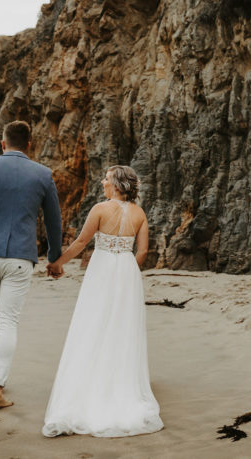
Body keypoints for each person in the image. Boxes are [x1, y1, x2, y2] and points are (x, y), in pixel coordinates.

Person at [41, 165, 163, 437]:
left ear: (117, 185)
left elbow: (82, 242)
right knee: (122, 326)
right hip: (127, 271)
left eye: (106, 179)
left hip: (102, 269)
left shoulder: (99, 209)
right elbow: (142, 250)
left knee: (93, 321)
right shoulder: (139, 213)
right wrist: (129, 269)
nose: (103, 182)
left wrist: (58, 263)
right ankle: (119, 382)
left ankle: (90, 382)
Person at [0, 120, 63, 410]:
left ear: (3, 144)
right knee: (8, 321)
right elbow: (54, 221)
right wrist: (54, 257)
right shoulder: (43, 174)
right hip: (20, 257)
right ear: (29, 145)